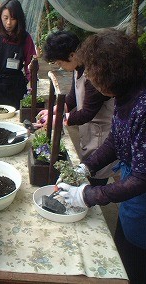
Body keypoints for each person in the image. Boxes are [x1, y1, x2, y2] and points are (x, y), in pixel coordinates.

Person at [56, 29, 146, 284]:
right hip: (134, 190)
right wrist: (86, 167)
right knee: (123, 251)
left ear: (112, 74)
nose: (91, 82)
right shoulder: (126, 95)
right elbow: (116, 141)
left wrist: (90, 195)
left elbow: (144, 177)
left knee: (136, 268)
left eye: (94, 76)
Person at [37, 31, 117, 186]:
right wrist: (55, 110)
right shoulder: (77, 68)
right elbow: (72, 99)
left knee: (96, 177)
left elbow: (87, 113)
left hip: (102, 134)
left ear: (72, 55)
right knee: (88, 170)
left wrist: (60, 119)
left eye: (60, 63)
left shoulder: (94, 73)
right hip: (90, 131)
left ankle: (91, 202)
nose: (60, 67)